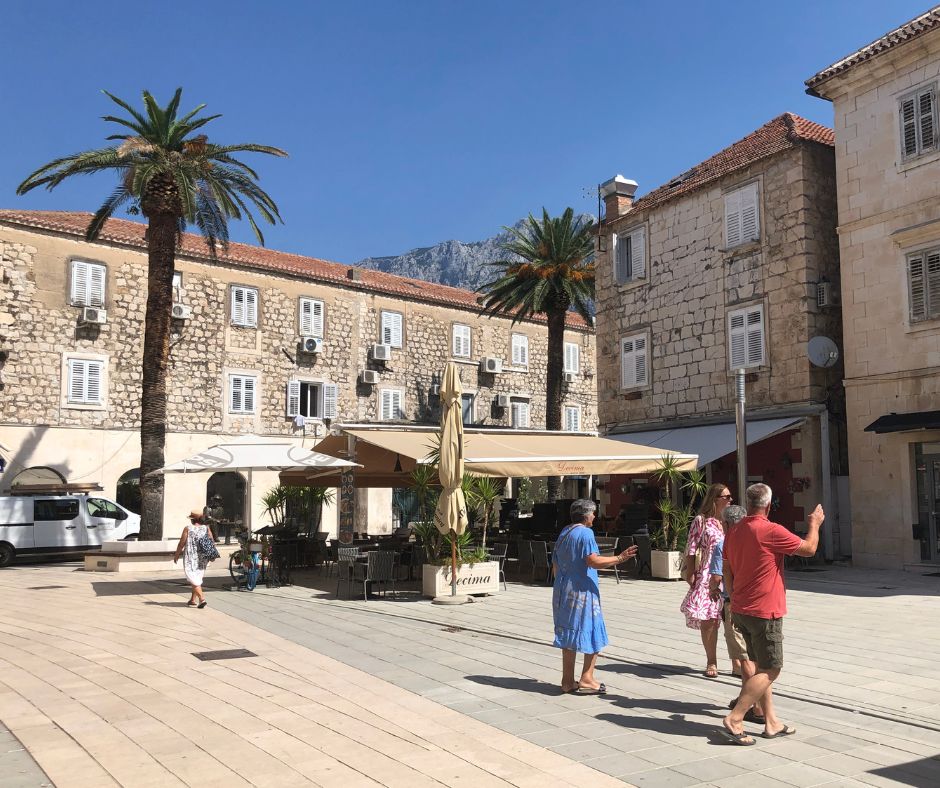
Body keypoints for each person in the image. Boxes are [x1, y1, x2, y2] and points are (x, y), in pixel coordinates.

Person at [721, 483, 823, 745]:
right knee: (772, 668)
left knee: (759, 667)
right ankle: (736, 717)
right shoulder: (770, 530)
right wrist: (815, 524)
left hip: (742, 607)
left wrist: (732, 599)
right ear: (767, 505)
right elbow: (809, 549)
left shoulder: (735, 530)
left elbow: (728, 569)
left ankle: (771, 721)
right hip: (765, 610)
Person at [552, 499, 637, 695]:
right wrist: (620, 558)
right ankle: (587, 677)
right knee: (592, 629)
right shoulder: (585, 533)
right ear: (586, 515)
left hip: (563, 590)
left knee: (569, 633)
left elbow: (555, 564)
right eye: (593, 513)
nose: (595, 517)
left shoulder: (565, 532)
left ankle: (567, 680)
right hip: (582, 591)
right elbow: (592, 560)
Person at [708, 504, 764, 723]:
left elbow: (717, 577)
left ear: (726, 523)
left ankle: (755, 707)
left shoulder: (724, 543)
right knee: (756, 655)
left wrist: (714, 591)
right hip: (759, 604)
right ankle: (747, 697)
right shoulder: (756, 540)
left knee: (744, 657)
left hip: (736, 604)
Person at [679, 483, 732, 677]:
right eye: (726, 497)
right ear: (715, 499)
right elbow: (691, 548)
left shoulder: (730, 520)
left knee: (731, 618)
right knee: (709, 620)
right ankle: (712, 661)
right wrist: (691, 573)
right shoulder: (702, 521)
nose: (730, 500)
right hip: (707, 573)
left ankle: (737, 661)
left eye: (730, 497)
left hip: (730, 573)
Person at [173, 509, 215, 608]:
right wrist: (211, 555)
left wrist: (176, 555)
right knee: (197, 577)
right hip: (203, 557)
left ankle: (202, 599)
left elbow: (181, 543)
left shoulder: (188, 528)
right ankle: (192, 599)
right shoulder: (206, 528)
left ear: (192, 520)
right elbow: (212, 541)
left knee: (193, 577)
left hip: (190, 557)